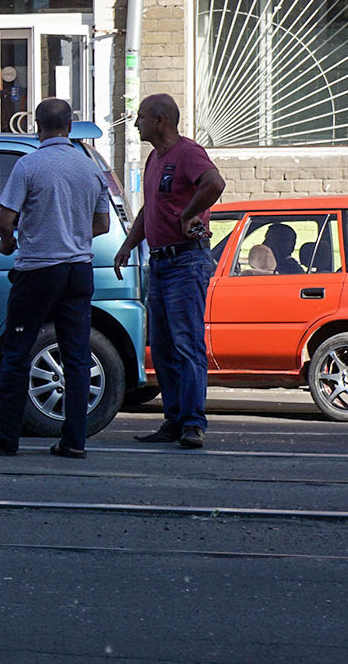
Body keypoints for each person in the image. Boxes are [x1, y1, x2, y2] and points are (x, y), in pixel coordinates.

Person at [0, 98, 111, 459]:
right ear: (69, 126)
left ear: (37, 126)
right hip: (79, 272)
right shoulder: (90, 169)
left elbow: (5, 221)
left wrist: (11, 242)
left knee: (17, 353)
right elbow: (102, 224)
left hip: (37, 271)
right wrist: (72, 236)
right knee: (77, 356)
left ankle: (5, 438)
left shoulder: (29, 166)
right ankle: (74, 441)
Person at [113, 93, 226, 450]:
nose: (136, 124)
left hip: (185, 260)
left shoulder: (187, 153)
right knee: (162, 347)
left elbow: (214, 183)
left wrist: (188, 213)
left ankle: (193, 422)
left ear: (161, 120)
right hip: (161, 261)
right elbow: (150, 207)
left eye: (141, 118)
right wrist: (130, 242)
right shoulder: (155, 159)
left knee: (186, 343)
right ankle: (174, 419)